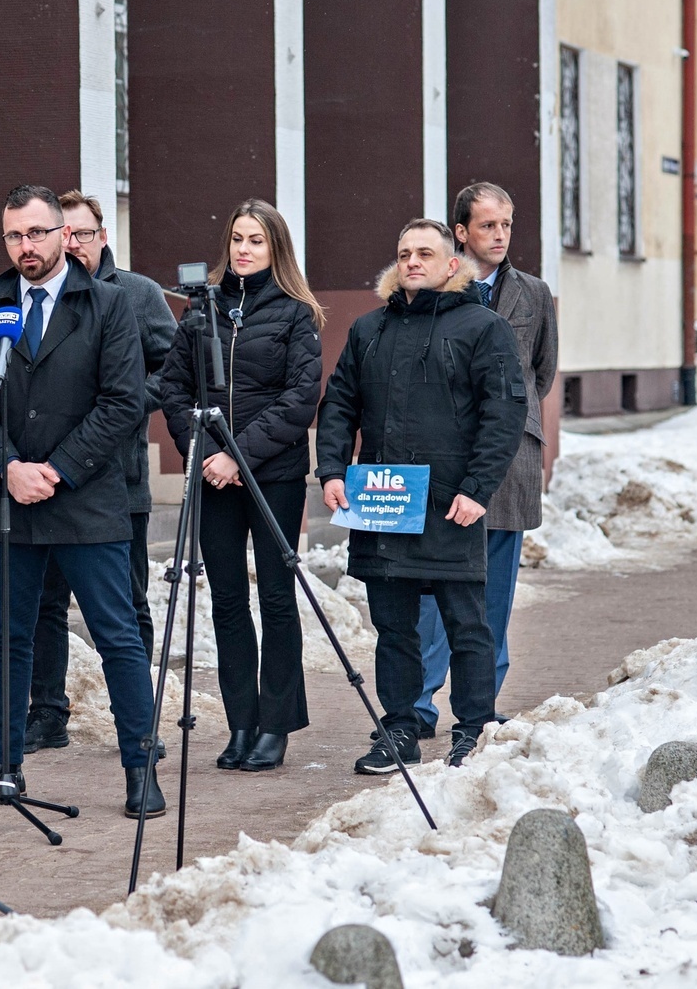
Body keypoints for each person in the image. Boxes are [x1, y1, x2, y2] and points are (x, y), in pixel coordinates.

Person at [0, 184, 163, 819]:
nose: (25, 247)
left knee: (117, 636)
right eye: (13, 236)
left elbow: (122, 402)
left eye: (36, 233)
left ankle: (140, 767)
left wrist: (57, 470)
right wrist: (7, 466)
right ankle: (3, 768)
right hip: (9, 502)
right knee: (9, 639)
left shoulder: (111, 305)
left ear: (65, 235)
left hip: (88, 500)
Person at [317, 218, 526, 773]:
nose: (413, 261)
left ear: (451, 263)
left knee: (467, 624)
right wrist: (332, 470)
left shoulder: (483, 327)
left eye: (426, 253)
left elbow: (503, 414)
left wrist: (479, 489)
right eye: (405, 252)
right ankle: (401, 728)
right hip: (385, 501)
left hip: (452, 503)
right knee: (393, 624)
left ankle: (474, 728)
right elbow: (339, 404)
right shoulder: (369, 330)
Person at [158, 198, 323, 772]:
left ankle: (276, 724)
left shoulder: (297, 313)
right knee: (227, 601)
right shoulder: (200, 308)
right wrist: (204, 451)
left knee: (276, 599)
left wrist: (238, 456)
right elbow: (173, 388)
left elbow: (300, 399)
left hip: (271, 475)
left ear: (275, 247)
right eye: (236, 239)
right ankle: (241, 723)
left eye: (256, 240)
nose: (244, 250)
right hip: (212, 475)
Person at [23, 189, 176, 755]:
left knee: (125, 606)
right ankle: (46, 713)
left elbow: (174, 370)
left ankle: (137, 724)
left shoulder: (134, 295)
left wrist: (126, 401)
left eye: (81, 233)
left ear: (101, 236)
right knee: (43, 603)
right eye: (60, 233)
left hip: (118, 480)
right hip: (42, 481)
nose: (71, 243)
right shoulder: (29, 297)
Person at [415, 183, 559, 735]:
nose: (499, 236)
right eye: (487, 226)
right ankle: (419, 705)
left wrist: (509, 424)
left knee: (494, 593)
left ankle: (480, 709)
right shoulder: (435, 287)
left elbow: (539, 374)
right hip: (445, 460)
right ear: (460, 232)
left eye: (506, 225)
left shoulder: (534, 294)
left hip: (511, 461)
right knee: (431, 586)